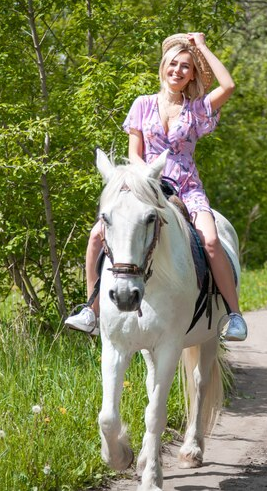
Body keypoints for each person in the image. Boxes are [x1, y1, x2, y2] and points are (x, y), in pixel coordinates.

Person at [65, 32, 247, 341]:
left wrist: (201, 47)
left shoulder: (197, 108)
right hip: (147, 185)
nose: (177, 70)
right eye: (173, 64)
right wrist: (145, 179)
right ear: (163, 67)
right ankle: (92, 310)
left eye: (185, 67)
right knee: (97, 234)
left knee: (213, 242)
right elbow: (135, 152)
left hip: (187, 189)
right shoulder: (142, 104)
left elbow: (228, 86)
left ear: (192, 75)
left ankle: (234, 315)